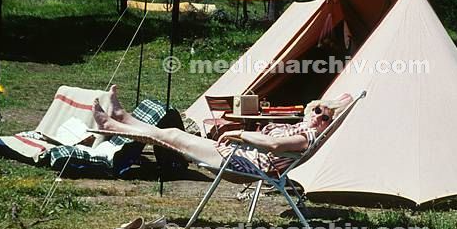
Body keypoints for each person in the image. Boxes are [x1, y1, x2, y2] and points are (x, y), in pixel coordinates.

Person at [92, 85, 336, 175]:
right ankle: (122, 118)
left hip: (246, 164)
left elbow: (274, 146)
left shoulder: (305, 137)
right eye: (317, 111)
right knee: (174, 134)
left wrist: (237, 133)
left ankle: (114, 126)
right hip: (238, 154)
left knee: (173, 136)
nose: (319, 118)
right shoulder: (298, 126)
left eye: (326, 117)